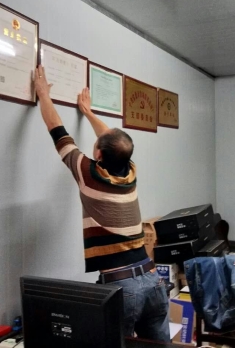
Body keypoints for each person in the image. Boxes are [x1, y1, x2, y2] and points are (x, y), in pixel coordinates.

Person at [33, 65, 170, 342]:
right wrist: (89, 112)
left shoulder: (89, 174)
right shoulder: (130, 173)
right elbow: (115, 142)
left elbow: (57, 130)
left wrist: (43, 95)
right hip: (153, 279)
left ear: (98, 154)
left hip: (123, 287)